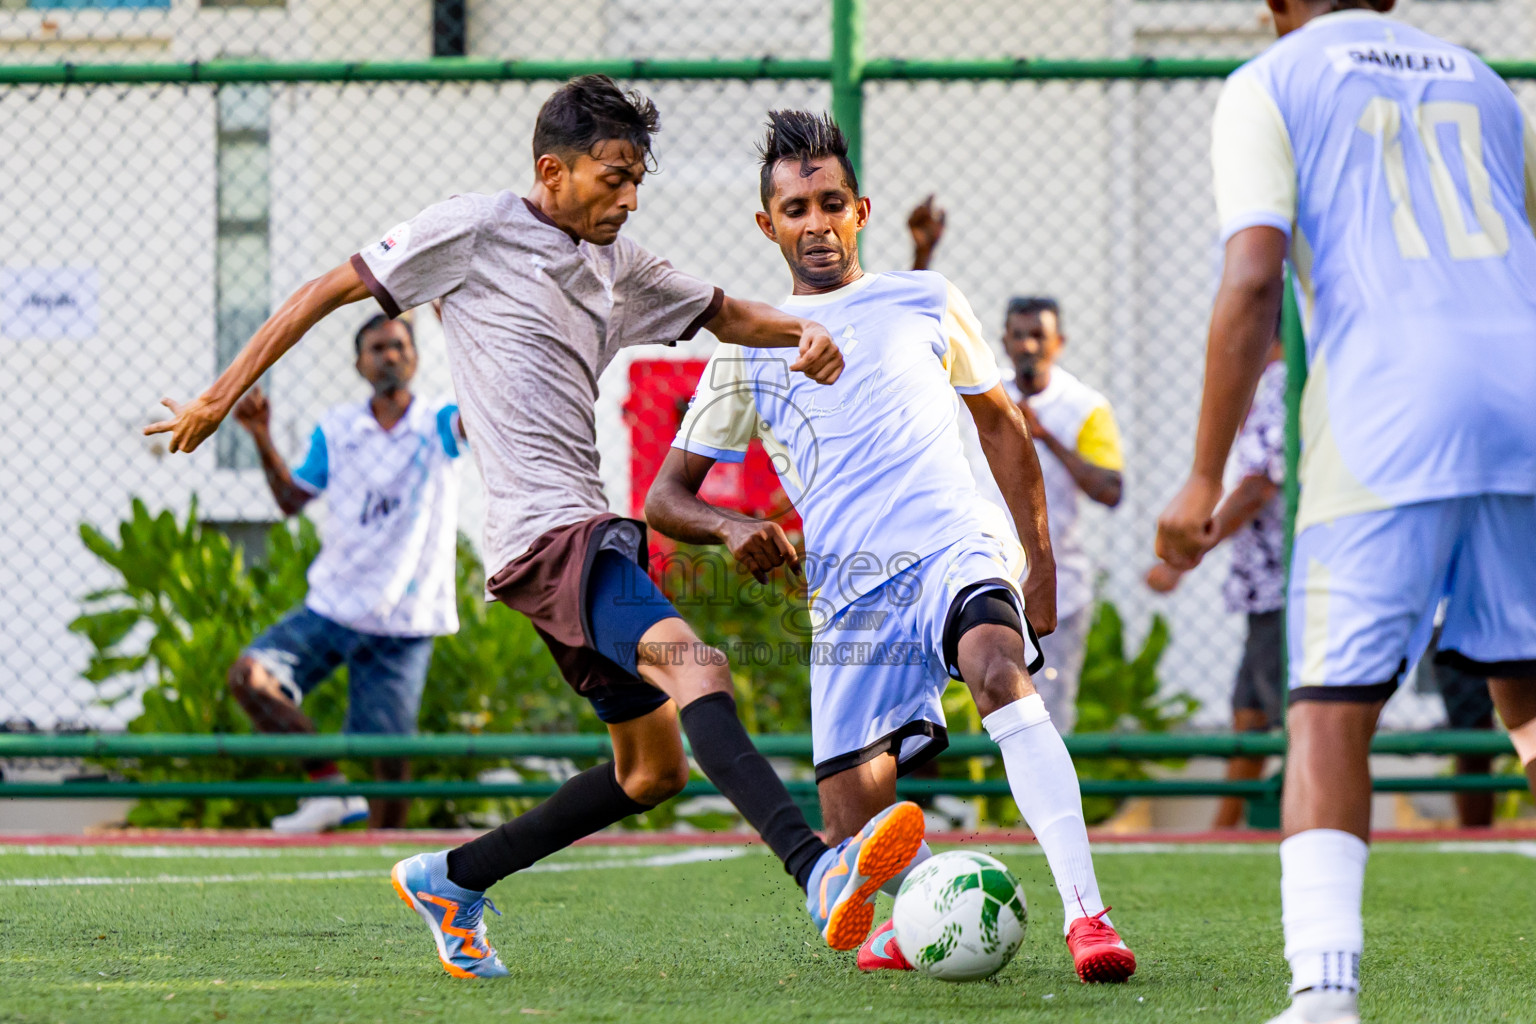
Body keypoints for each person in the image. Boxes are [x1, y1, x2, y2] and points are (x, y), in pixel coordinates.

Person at [147, 75, 925, 979]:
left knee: (651, 773)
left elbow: (723, 312)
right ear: (551, 170)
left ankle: (453, 878)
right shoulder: (474, 229)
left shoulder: (623, 265)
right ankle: (816, 868)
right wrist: (219, 394)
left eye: (638, 179)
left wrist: (799, 333)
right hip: (552, 538)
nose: (628, 197)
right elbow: (327, 290)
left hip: (573, 538)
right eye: (612, 176)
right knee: (698, 666)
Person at [645, 110, 1137, 984]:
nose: (816, 222)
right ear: (769, 225)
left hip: (954, 544)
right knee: (850, 826)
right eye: (795, 208)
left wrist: (1041, 561)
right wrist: (731, 528)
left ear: (859, 209)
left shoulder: (926, 297)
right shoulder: (747, 346)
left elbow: (1002, 423)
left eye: (831, 202)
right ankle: (914, 916)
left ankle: (1088, 919)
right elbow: (665, 498)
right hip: (851, 593)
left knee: (996, 667)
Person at [1155, 4, 1536, 1022]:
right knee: (1530, 697)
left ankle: (1325, 994)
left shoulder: (1270, 81)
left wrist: (1200, 478)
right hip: (1526, 400)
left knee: (1330, 705)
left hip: (1390, 411)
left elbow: (1250, 275)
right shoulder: (1489, 85)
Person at [228, 314, 464, 833]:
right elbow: (292, 500)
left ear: (416, 357)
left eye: (400, 345)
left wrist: (461, 325)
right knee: (250, 677)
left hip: (404, 618)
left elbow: (479, 417)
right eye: (377, 347)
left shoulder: (439, 424)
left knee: (390, 761)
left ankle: (389, 859)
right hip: (333, 605)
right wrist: (261, 436)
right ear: (359, 363)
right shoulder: (337, 429)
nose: (390, 355)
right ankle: (330, 789)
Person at [910, 203, 1124, 730]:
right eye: (1018, 335)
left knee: (1049, 715)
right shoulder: (987, 389)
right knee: (978, 708)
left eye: (1038, 336)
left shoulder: (1085, 406)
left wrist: (1043, 434)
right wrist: (923, 253)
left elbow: (1110, 490)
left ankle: (1041, 813)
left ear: (1059, 343)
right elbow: (914, 341)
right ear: (1002, 340)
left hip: (1057, 586)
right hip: (978, 574)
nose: (1027, 345)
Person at [1146, 343, 1287, 829]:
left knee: (1287, 716)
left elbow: (1258, 484)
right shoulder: (1269, 384)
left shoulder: (1282, 380)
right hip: (1265, 586)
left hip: (1284, 583)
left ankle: (1305, 825)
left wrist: (1190, 554)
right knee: (1249, 711)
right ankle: (1224, 828)